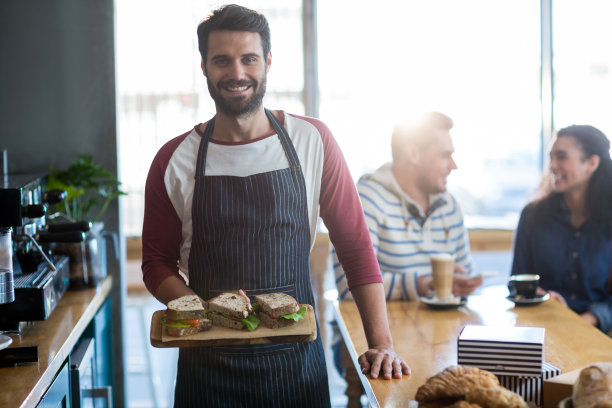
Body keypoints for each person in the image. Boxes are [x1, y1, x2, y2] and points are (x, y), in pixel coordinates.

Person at [141, 4, 409, 407]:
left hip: (297, 370)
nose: (237, 73)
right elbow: (156, 262)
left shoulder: (313, 141)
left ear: (267, 61)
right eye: (221, 60)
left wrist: (382, 344)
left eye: (248, 58)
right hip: (207, 371)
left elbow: (354, 246)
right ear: (203, 67)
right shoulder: (173, 159)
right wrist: (200, 313)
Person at [334, 112, 482, 301]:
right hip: (387, 329)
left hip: (444, 328)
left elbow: (465, 276)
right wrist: (425, 284)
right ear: (413, 154)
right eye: (445, 155)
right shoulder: (366, 199)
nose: (453, 165)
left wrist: (462, 283)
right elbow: (348, 286)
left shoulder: (450, 206)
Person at [511, 124, 612, 334]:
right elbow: (516, 282)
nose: (552, 165)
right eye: (551, 157)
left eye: (562, 157)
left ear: (591, 163)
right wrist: (539, 297)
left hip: (598, 333)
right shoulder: (532, 216)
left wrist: (588, 319)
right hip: (543, 330)